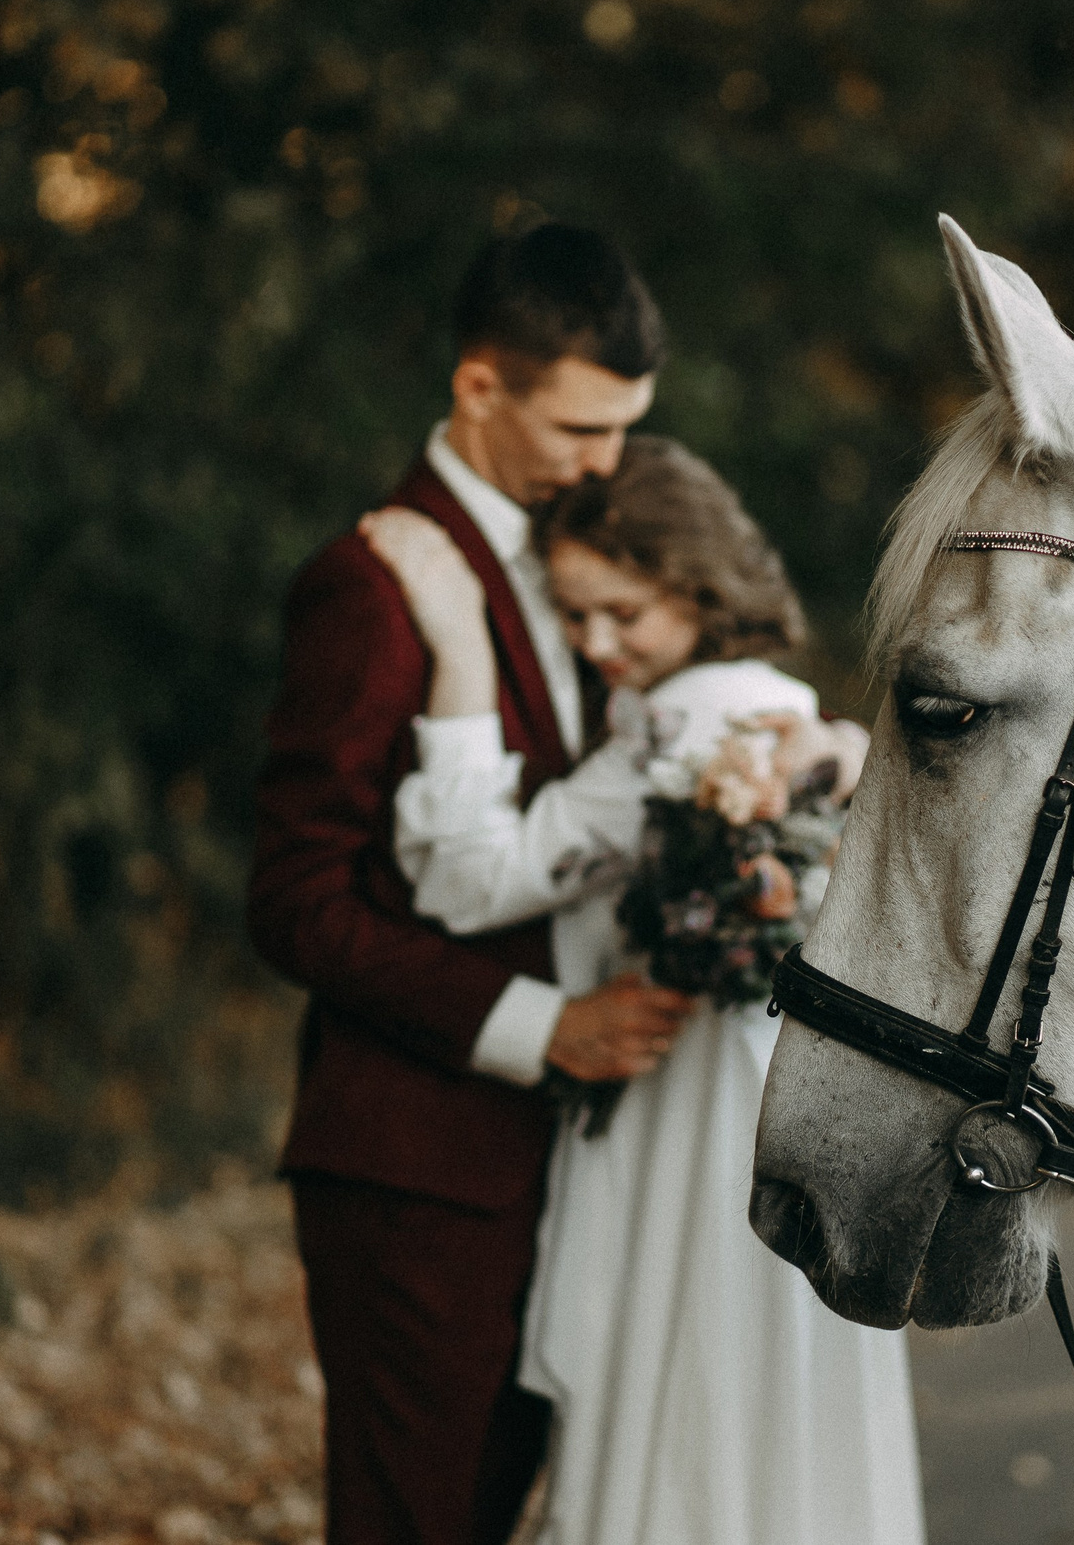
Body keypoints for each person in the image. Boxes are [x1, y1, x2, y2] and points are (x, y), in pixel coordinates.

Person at [357, 437, 925, 1545]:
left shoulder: (694, 728)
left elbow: (471, 880)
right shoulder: (770, 708)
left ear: (700, 588)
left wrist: (461, 653)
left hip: (702, 1113)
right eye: (574, 617)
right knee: (760, 1399)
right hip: (759, 1092)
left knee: (693, 1382)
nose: (594, 642)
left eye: (622, 612)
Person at [247, 223, 697, 1545]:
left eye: (626, 426)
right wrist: (536, 1028)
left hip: (573, 1160)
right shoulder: (371, 584)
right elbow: (295, 899)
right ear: (479, 386)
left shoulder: (590, 563)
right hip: (419, 1168)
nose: (608, 461)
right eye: (579, 426)